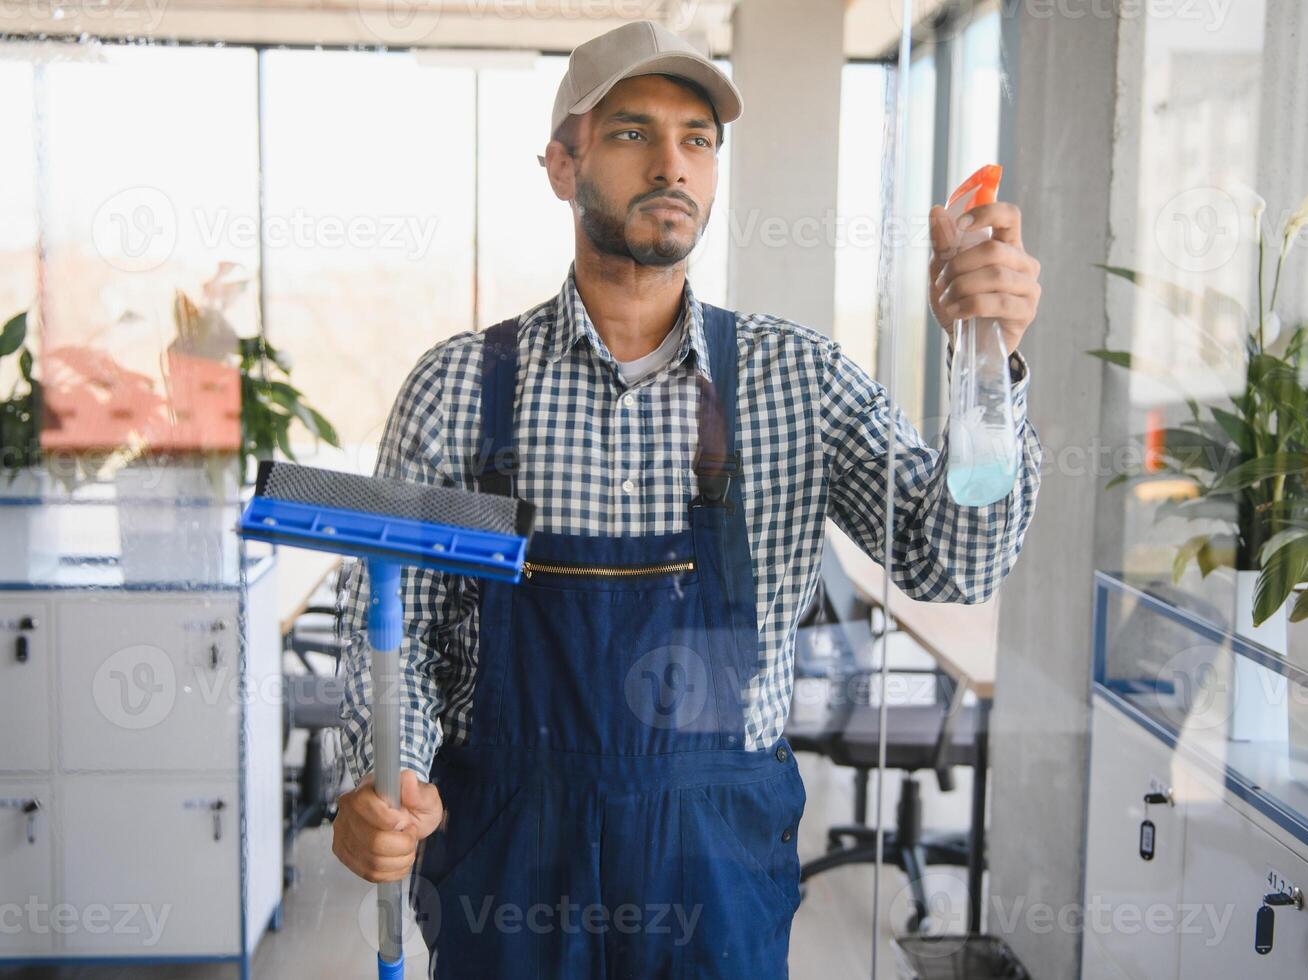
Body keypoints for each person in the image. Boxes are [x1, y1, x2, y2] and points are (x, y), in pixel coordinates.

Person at [332, 18, 1043, 979]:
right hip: (508, 850)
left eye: (697, 140)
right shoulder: (459, 386)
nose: (671, 162)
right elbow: (397, 628)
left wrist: (985, 364)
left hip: (712, 862)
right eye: (631, 132)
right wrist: (386, 782)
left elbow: (949, 561)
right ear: (559, 164)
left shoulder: (799, 379)